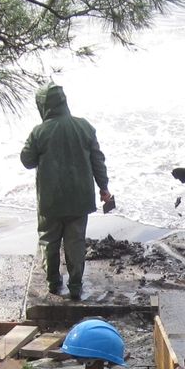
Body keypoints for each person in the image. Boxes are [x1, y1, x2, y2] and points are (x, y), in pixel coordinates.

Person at [21, 83, 112, 300]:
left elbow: (27, 160)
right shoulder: (85, 127)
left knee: (49, 241)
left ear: (42, 105)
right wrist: (104, 188)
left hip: (50, 201)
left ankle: (53, 283)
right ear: (64, 101)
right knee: (75, 242)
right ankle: (75, 286)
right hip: (79, 199)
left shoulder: (39, 132)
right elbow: (98, 160)